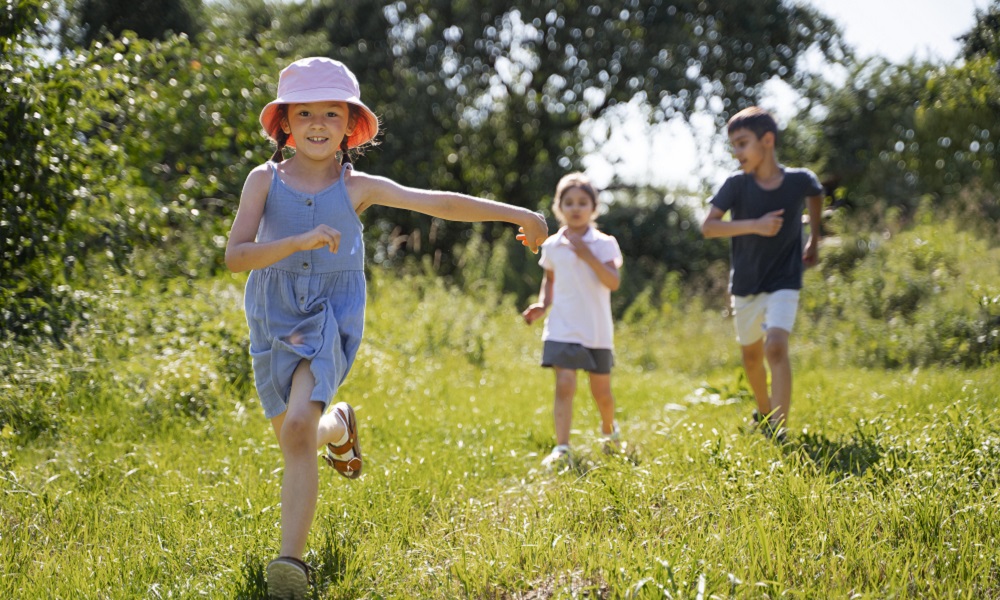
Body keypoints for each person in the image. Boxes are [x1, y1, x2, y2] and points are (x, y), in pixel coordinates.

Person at [225, 56, 548, 599]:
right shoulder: (263, 180)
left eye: (332, 112)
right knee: (295, 435)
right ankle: (340, 426)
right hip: (273, 318)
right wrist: (296, 243)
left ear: (351, 125)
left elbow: (437, 202)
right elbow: (236, 256)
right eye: (305, 113)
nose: (318, 123)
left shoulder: (358, 187)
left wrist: (518, 213)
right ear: (285, 122)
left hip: (329, 316)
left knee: (298, 430)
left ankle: (289, 565)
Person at [700, 106, 823, 443]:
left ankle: (779, 430)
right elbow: (709, 227)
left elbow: (816, 194)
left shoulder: (799, 180)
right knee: (752, 357)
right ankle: (765, 411)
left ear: (767, 140)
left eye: (742, 144)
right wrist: (755, 226)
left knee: (776, 347)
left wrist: (814, 236)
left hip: (784, 279)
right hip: (746, 285)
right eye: (733, 146)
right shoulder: (736, 185)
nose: (737, 152)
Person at [521, 173, 623, 470]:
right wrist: (543, 304)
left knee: (601, 392)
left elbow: (613, 282)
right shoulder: (552, 246)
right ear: (558, 207)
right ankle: (562, 447)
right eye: (569, 202)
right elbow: (550, 279)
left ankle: (609, 431)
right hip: (562, 327)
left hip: (596, 331)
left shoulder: (604, 244)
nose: (576, 208)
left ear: (594, 207)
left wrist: (586, 254)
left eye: (582, 202)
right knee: (564, 384)